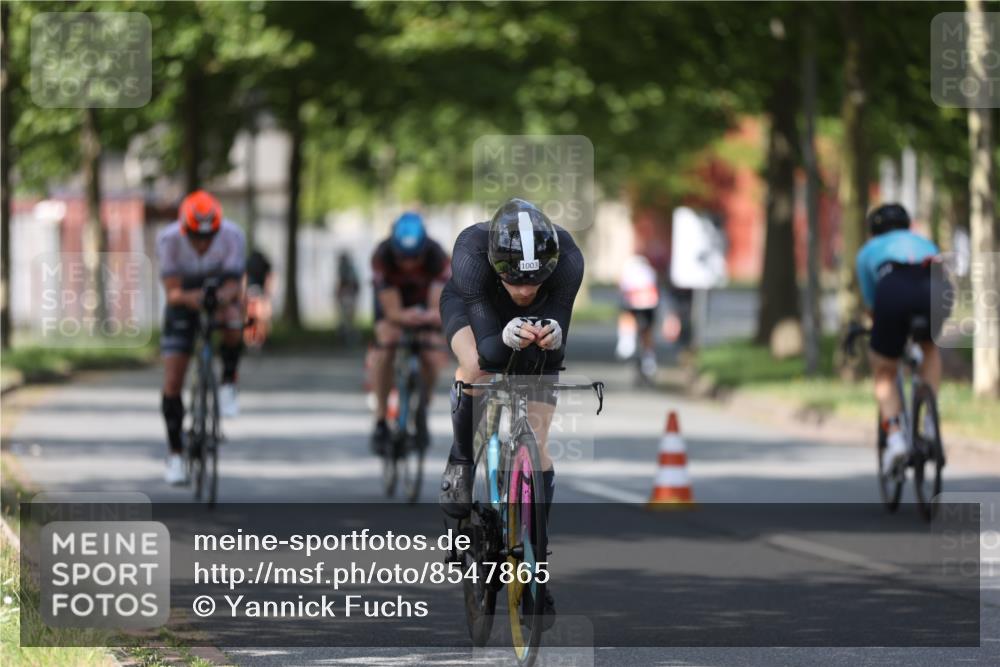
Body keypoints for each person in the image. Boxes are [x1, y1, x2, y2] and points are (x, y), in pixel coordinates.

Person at [438, 197, 585, 622]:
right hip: (474, 310)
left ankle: (536, 557)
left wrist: (552, 332)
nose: (524, 289)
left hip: (534, 323)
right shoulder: (471, 251)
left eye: (535, 281)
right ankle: (462, 459)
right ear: (497, 263)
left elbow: (554, 356)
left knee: (537, 442)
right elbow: (488, 351)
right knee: (477, 368)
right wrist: (504, 337)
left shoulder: (569, 259)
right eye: (515, 280)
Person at [157, 191, 246, 485]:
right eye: (196, 236)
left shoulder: (233, 235)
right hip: (184, 299)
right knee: (173, 380)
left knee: (235, 320)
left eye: (209, 236)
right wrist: (191, 298)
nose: (203, 243)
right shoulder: (169, 239)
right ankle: (175, 455)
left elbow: (235, 286)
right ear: (185, 229)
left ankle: (228, 382)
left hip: (219, 293)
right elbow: (172, 292)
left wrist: (222, 298)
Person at [855, 203, 942, 475]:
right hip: (934, 285)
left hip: (893, 288)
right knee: (929, 347)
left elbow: (872, 304)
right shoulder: (926, 242)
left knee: (884, 368)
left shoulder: (869, 250)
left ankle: (894, 439)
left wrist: (879, 330)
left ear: (874, 230)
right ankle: (930, 421)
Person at [369, 212, 450, 455]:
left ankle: (421, 407)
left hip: (424, 304)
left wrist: (431, 317)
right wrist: (403, 318)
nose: (409, 264)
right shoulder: (381, 256)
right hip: (393, 306)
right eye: (403, 257)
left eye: (414, 257)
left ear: (424, 250)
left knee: (432, 350)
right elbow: (392, 311)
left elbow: (437, 307)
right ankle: (381, 419)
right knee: (387, 344)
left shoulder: (437, 256)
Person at [616, 252, 660, 380]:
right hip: (649, 304)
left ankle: (627, 343)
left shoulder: (628, 271)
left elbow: (622, 289)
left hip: (638, 303)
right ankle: (648, 358)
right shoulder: (649, 271)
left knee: (627, 316)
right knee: (647, 331)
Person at [243, 248, 273, 349]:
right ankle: (260, 340)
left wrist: (244, 293)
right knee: (261, 319)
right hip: (260, 293)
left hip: (250, 291)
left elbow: (245, 279)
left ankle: (250, 340)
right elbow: (268, 280)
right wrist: (267, 294)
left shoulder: (248, 264)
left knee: (250, 319)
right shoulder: (265, 265)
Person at [335, 252, 360, 343]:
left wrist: (341, 292)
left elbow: (344, 283)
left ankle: (349, 337)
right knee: (348, 318)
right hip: (349, 294)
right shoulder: (350, 268)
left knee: (347, 318)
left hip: (347, 294)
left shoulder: (345, 268)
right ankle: (347, 337)